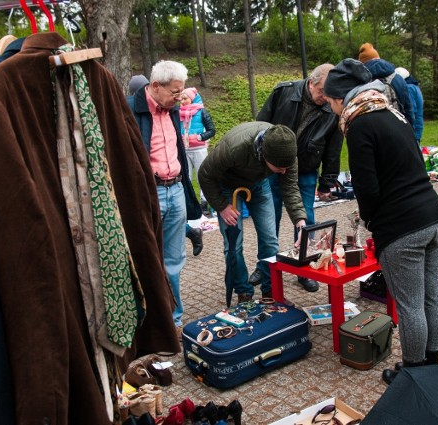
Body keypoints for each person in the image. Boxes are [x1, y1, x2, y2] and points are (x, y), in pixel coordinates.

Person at [323, 58, 438, 385]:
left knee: (409, 306)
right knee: (431, 295)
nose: (332, 109)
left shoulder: (360, 124)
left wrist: (370, 221)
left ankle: (413, 373)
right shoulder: (394, 113)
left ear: (341, 98)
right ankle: (432, 364)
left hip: (402, 227)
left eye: (331, 102)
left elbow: (367, 188)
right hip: (434, 216)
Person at [127, 61, 201, 336]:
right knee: (147, 258)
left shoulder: (172, 108)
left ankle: (173, 319)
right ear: (154, 87)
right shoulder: (130, 109)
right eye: (175, 92)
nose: (179, 97)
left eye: (181, 92)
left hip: (177, 189)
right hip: (151, 192)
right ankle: (148, 320)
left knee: (173, 260)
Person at [256, 63, 343, 293]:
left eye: (330, 92)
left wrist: (327, 181)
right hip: (273, 167)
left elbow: (334, 148)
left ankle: (304, 267)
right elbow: (260, 125)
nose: (326, 97)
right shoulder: (283, 92)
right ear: (311, 82)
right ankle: (266, 267)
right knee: (268, 219)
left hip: (306, 169)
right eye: (323, 91)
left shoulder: (331, 106)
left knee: (306, 219)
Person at [198, 122, 307, 304]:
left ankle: (271, 292)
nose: (284, 171)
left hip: (259, 185)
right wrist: (222, 206)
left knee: (270, 240)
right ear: (264, 155)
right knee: (233, 245)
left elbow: (290, 187)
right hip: (227, 187)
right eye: (280, 168)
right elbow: (205, 174)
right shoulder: (235, 147)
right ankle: (243, 292)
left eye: (287, 166)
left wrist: (300, 222)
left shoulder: (286, 152)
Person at [180, 87, 216, 256]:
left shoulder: (202, 112)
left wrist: (200, 137)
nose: (183, 101)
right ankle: (188, 206)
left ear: (193, 99)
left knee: (202, 177)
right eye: (181, 98)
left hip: (199, 149)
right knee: (186, 179)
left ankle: (205, 204)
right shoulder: (177, 113)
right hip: (183, 150)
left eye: (185, 98)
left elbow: (211, 130)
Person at [358, 43, 413, 123]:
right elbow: (408, 109)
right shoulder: (398, 78)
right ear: (378, 58)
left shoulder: (359, 80)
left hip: (372, 128)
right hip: (398, 126)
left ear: (362, 63)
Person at [395, 66, 424, 144]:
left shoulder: (409, 88)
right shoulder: (414, 86)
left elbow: (412, 109)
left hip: (413, 126)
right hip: (417, 124)